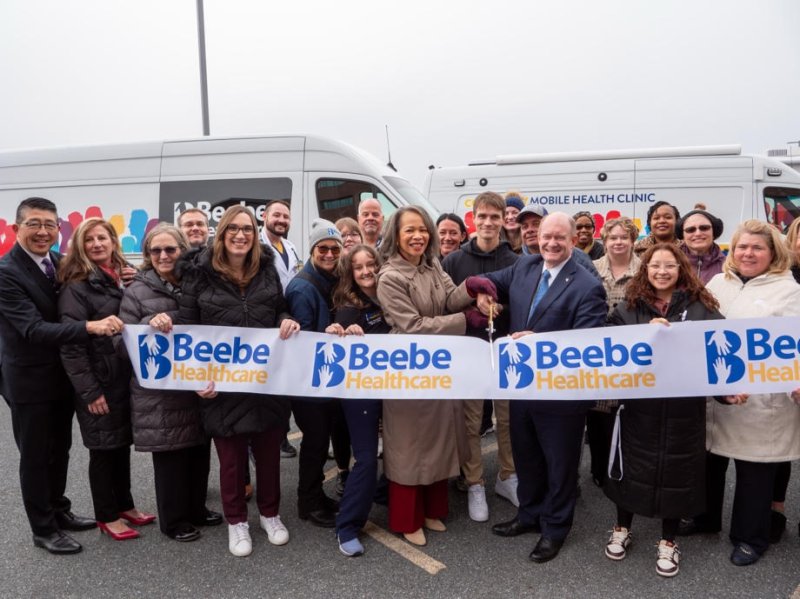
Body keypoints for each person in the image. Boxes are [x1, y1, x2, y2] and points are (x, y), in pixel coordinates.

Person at [480, 212, 607, 563]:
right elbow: (486, 279)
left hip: (561, 396)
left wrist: (541, 342)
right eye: (545, 236)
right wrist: (483, 295)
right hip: (523, 389)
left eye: (559, 238)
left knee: (560, 465)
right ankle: (529, 514)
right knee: (527, 458)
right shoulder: (525, 266)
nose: (550, 243)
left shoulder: (587, 285)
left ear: (572, 241)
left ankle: (555, 529)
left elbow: (586, 343)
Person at [177, 205, 300, 557]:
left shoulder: (266, 270)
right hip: (223, 386)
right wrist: (195, 378)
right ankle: (237, 522)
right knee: (231, 462)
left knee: (269, 456)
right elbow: (188, 332)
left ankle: (270, 514)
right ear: (222, 231)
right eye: (234, 228)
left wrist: (287, 319)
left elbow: (279, 308)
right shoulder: (199, 275)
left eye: (247, 228)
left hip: (264, 381)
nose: (241, 234)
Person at [0, 197, 121, 554]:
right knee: (36, 455)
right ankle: (43, 528)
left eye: (49, 225)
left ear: (58, 230)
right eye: (34, 224)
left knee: (61, 449)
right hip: (28, 380)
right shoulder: (6, 272)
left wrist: (122, 275)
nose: (42, 231)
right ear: (16, 228)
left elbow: (89, 285)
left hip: (60, 378)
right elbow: (34, 330)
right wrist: (90, 327)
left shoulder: (56, 262)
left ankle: (59, 509)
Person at [603, 243, 722, 578]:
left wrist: (728, 393)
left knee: (677, 476)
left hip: (684, 411)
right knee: (630, 470)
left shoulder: (702, 306)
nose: (662, 271)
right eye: (655, 265)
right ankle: (621, 528)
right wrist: (643, 334)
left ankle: (668, 541)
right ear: (646, 268)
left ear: (681, 269)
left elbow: (723, 349)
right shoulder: (630, 306)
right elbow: (607, 344)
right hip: (640, 409)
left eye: (670, 265)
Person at [377, 205, 480, 547]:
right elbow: (412, 327)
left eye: (422, 229)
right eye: (409, 230)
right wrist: (466, 322)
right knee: (409, 447)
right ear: (396, 235)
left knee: (438, 441)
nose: (418, 236)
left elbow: (450, 297)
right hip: (408, 369)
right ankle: (407, 518)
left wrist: (470, 288)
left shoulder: (433, 264)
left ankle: (431, 510)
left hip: (438, 366)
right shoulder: (390, 276)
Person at [701, 220, 800, 566]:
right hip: (720, 396)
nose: (747, 253)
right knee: (710, 463)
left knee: (754, 474)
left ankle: (751, 538)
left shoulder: (789, 291)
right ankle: (705, 519)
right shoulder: (717, 283)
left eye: (757, 247)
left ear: (773, 252)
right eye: (742, 246)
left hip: (763, 403)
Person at [119, 224, 222, 542]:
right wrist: (147, 324)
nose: (163, 255)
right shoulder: (136, 291)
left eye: (170, 249)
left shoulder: (198, 283)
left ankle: (196, 508)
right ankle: (174, 520)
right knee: (171, 458)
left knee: (198, 452)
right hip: (161, 393)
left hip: (197, 385)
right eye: (156, 251)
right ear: (148, 256)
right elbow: (123, 340)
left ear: (182, 250)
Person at [58, 218, 155, 541]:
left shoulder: (121, 278)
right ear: (80, 247)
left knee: (120, 444)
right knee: (102, 449)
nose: (97, 244)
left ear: (113, 241)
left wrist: (134, 280)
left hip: (122, 378)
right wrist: (90, 392)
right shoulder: (77, 285)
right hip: (99, 383)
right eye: (89, 240)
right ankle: (106, 515)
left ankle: (124, 504)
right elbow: (71, 347)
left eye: (103, 237)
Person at [442, 191, 520, 521]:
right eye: (482, 217)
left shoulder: (517, 260)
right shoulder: (455, 260)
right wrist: (471, 303)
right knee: (471, 422)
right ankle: (474, 481)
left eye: (495, 217)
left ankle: (508, 476)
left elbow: (524, 303)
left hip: (504, 351)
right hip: (468, 351)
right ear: (473, 219)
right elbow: (444, 303)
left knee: (507, 420)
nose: (488, 223)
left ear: (504, 220)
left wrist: (500, 307)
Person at [325, 244, 390, 556]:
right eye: (359, 267)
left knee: (399, 449)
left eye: (371, 264)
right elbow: (337, 344)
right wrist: (345, 333)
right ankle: (347, 526)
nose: (367, 272)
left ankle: (380, 492)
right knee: (365, 458)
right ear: (350, 274)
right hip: (359, 392)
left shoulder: (387, 294)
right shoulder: (349, 306)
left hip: (391, 387)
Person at [285, 219, 345, 528]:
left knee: (320, 442)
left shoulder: (331, 278)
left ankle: (315, 496)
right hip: (309, 381)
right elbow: (304, 338)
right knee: (315, 442)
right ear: (312, 250)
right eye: (323, 248)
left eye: (335, 248)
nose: (330, 254)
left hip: (325, 377)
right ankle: (307, 503)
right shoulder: (302, 287)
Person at [587, 217, 641, 487]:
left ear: (632, 240)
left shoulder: (644, 270)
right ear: (604, 240)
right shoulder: (590, 268)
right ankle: (599, 470)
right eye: (613, 237)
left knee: (627, 412)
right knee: (597, 415)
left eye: (624, 237)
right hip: (595, 354)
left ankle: (625, 466)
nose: (618, 242)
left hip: (631, 354)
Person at [260, 200, 301, 459]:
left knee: (284, 384)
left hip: (287, 319)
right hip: (266, 320)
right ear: (265, 216)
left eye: (286, 216)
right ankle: (263, 440)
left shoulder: (290, 246)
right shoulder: (256, 244)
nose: (281, 220)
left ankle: (282, 435)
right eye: (277, 215)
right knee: (266, 384)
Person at [518, 204, 601, 279]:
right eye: (524, 226)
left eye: (536, 224)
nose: (529, 230)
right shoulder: (518, 263)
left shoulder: (579, 258)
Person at [676, 207, 725, 284]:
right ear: (683, 236)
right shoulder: (671, 263)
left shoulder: (728, 266)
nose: (698, 233)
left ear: (713, 232)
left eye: (704, 228)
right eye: (690, 230)